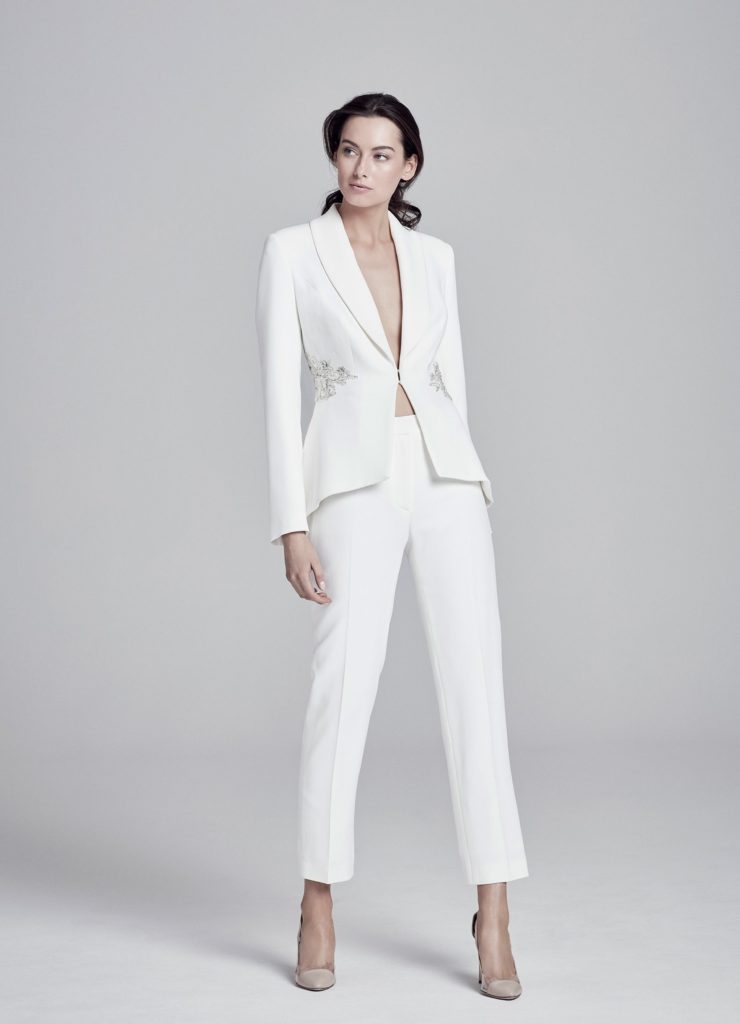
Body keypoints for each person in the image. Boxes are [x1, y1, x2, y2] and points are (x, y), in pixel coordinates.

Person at [255, 93, 529, 999]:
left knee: (475, 682)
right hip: (352, 481)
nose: (362, 168)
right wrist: (290, 522)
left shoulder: (435, 257)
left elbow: (453, 380)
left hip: (446, 474)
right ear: (333, 158)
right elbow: (278, 394)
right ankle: (317, 900)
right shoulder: (294, 252)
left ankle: (494, 910)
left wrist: (471, 477)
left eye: (381, 154)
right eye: (349, 150)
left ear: (409, 165)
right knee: (343, 684)